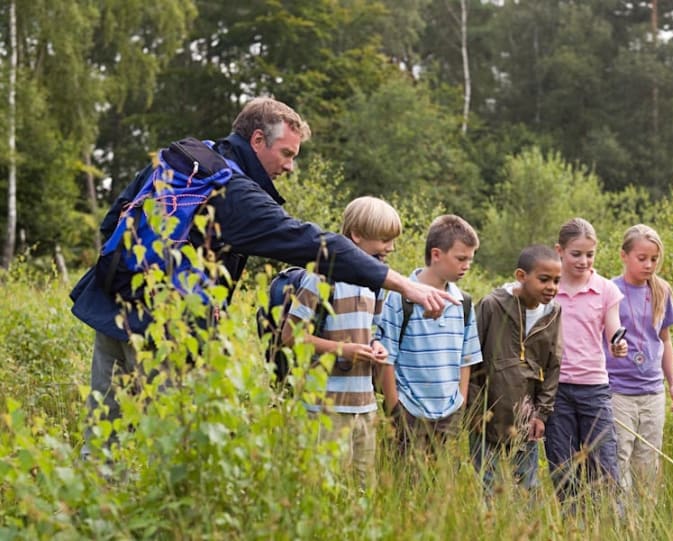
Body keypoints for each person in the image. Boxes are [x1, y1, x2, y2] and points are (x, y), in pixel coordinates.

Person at [71, 97, 454, 457]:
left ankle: (88, 517)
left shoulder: (182, 159)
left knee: (103, 437)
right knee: (165, 447)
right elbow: (318, 245)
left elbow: (113, 221)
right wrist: (404, 284)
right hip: (166, 333)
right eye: (286, 153)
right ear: (257, 140)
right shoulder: (234, 191)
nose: (289, 166)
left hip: (112, 307)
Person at [279, 196, 399, 486]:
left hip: (365, 406)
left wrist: (376, 347)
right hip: (325, 407)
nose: (390, 248)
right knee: (326, 489)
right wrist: (343, 350)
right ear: (356, 236)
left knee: (363, 491)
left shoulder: (377, 285)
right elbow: (290, 336)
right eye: (383, 240)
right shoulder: (321, 278)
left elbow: (373, 332)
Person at [377, 215, 483, 458]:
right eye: (460, 258)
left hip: (448, 414)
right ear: (436, 254)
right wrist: (395, 409)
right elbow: (386, 357)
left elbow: (466, 359)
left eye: (470, 259)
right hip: (409, 411)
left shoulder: (463, 302)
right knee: (403, 485)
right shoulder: (399, 297)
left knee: (438, 488)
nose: (466, 265)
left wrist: (461, 402)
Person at [543, 218, 628, 506]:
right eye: (576, 254)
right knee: (562, 466)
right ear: (560, 251)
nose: (583, 261)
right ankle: (571, 524)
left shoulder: (606, 290)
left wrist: (618, 342)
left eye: (589, 254)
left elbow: (613, 327)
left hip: (594, 388)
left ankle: (609, 525)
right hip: (557, 390)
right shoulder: (549, 290)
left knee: (604, 464)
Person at [468, 245, 563, 492]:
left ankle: (524, 528)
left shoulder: (553, 313)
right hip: (486, 413)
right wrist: (474, 409)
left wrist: (541, 413)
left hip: (526, 416)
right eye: (544, 279)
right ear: (521, 276)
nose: (551, 287)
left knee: (527, 484)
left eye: (556, 281)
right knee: (486, 483)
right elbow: (470, 357)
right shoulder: (492, 305)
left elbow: (553, 365)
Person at [606, 224, 673, 498]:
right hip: (618, 390)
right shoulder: (609, 291)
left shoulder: (661, 291)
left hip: (652, 391)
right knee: (619, 455)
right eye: (642, 258)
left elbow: (665, 339)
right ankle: (620, 517)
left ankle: (644, 519)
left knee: (648, 460)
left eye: (654, 259)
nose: (649, 265)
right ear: (624, 256)